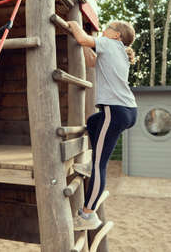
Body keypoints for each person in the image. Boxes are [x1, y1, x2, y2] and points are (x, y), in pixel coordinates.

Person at [67, 20, 138, 231]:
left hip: (114, 111)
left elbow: (81, 38)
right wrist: (87, 44)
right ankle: (93, 165)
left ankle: (87, 215)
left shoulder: (109, 44)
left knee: (100, 165)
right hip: (127, 111)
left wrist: (73, 24)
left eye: (108, 28)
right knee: (92, 122)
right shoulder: (118, 51)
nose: (104, 30)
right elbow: (91, 62)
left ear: (117, 35)